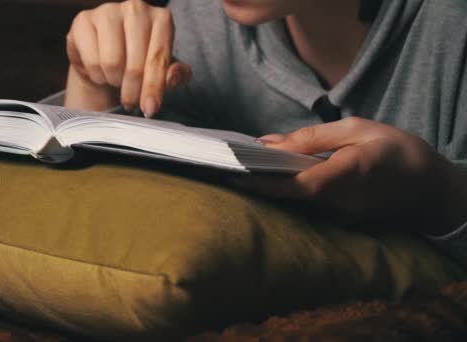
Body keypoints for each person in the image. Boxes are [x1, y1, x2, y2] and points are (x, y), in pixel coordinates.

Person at [63, 0, 467, 264]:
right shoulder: (200, 20)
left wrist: (439, 193)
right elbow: (91, 231)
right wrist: (94, 84)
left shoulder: (450, 28)